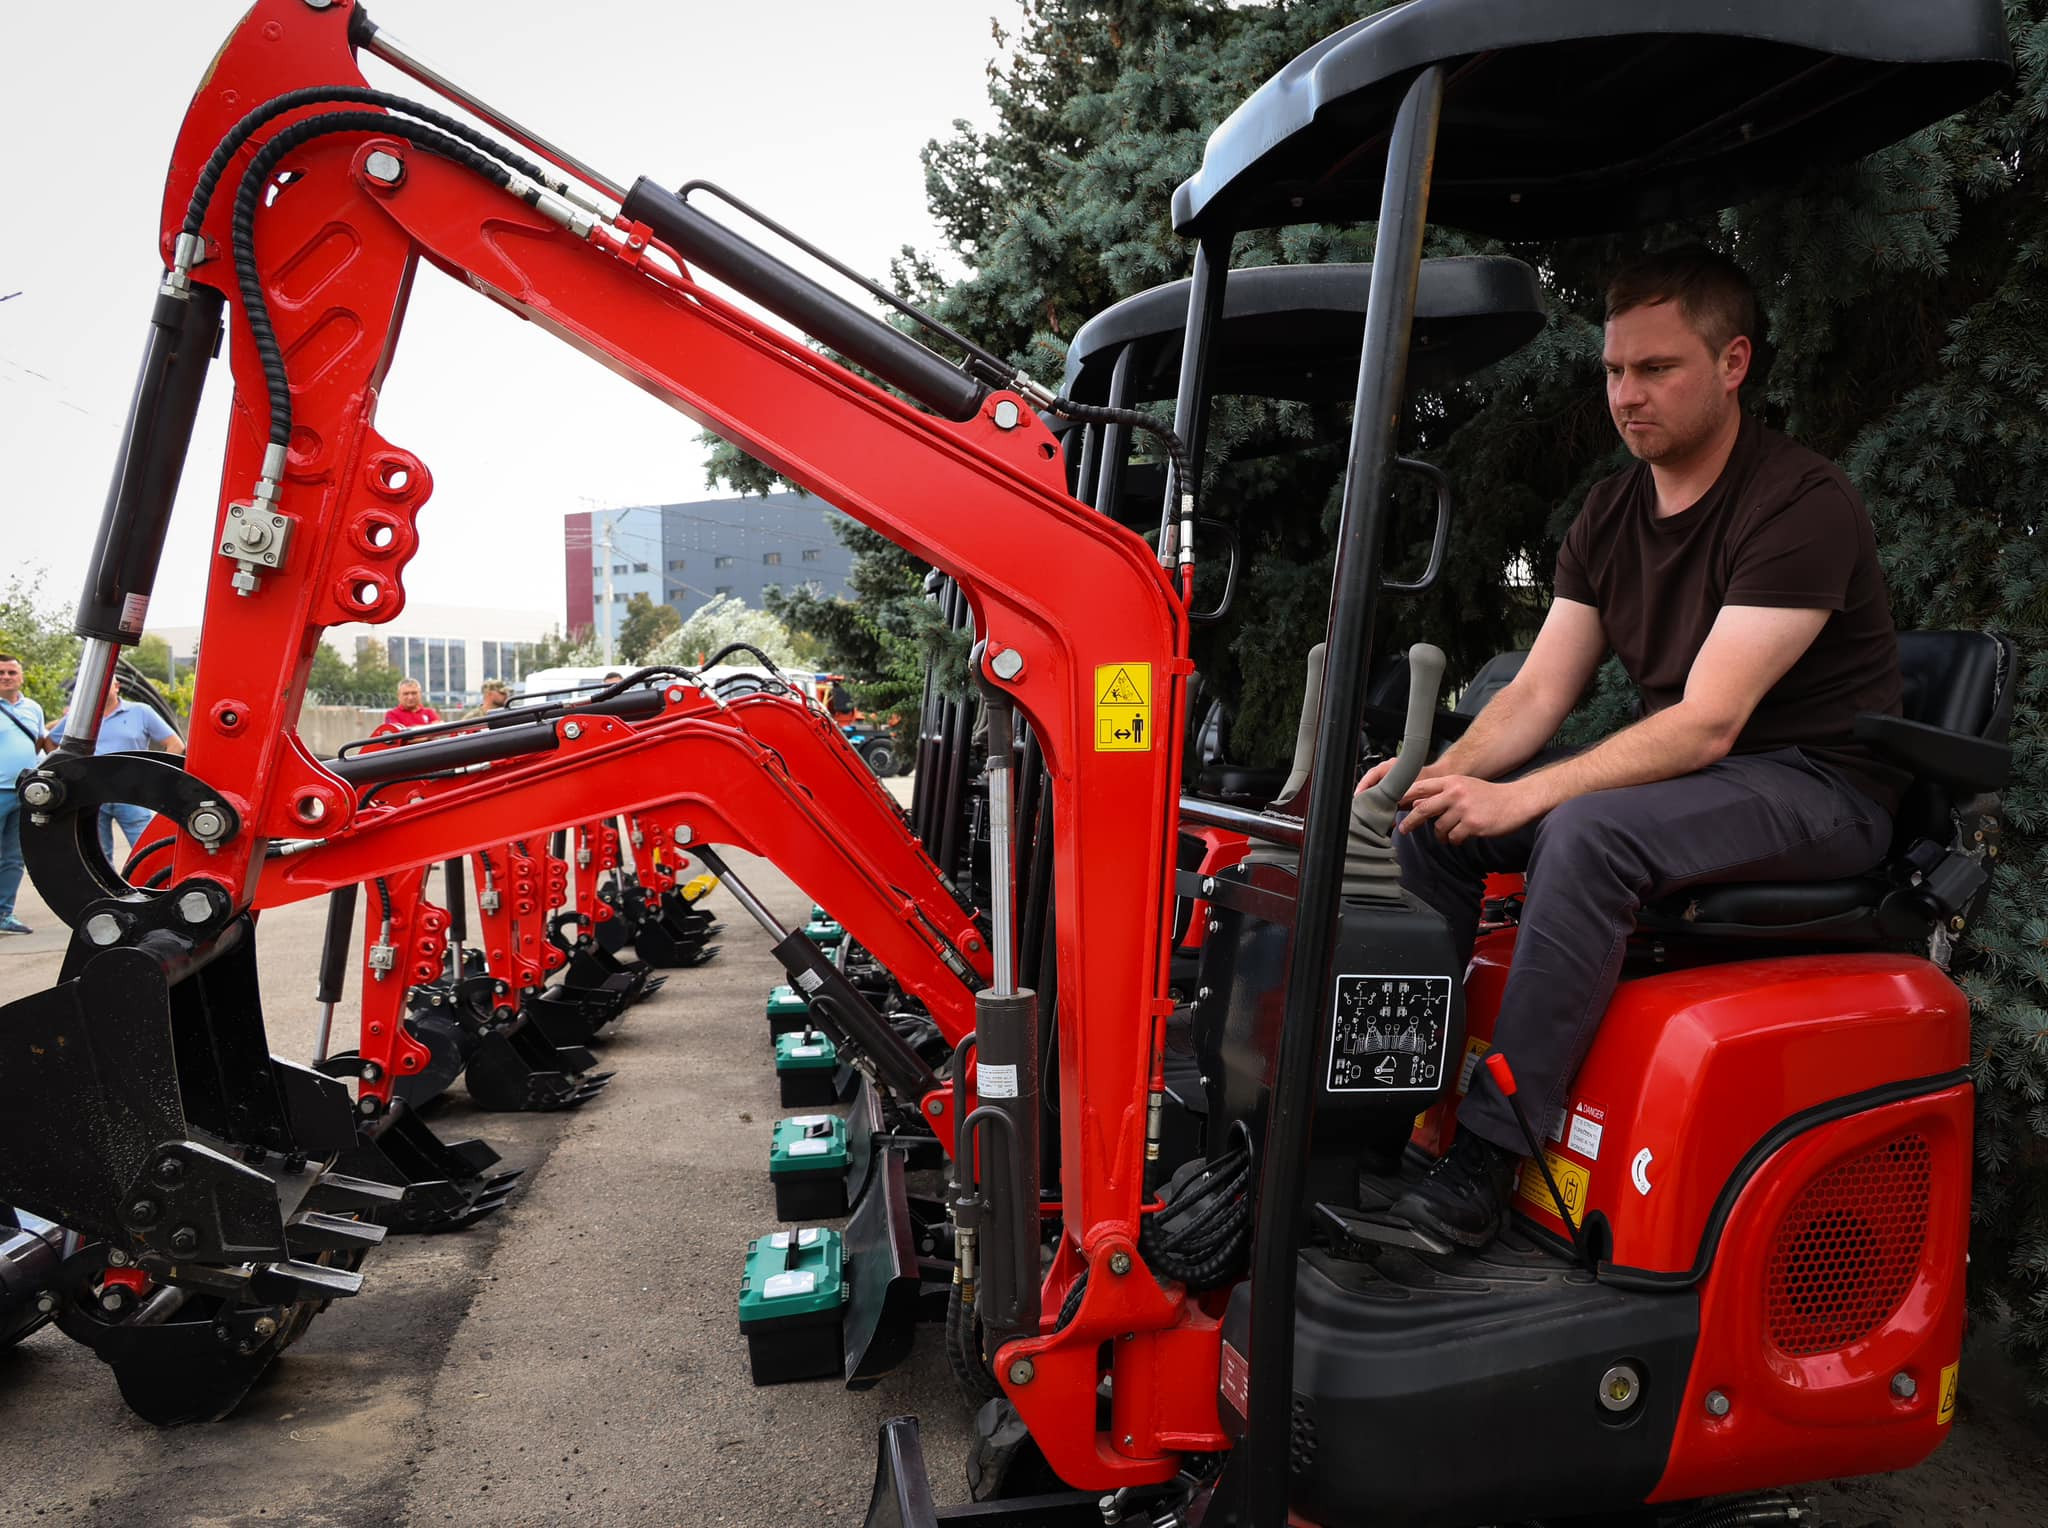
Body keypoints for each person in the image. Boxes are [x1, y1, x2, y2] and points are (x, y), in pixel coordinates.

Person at [1378, 246, 1903, 1250]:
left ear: (1732, 362)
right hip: (1713, 780)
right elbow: (1538, 687)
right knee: (1435, 832)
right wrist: (1441, 777)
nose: (1627, 395)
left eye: (1656, 369)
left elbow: (1709, 719)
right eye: (1615, 371)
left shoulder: (1799, 503)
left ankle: (1486, 1163)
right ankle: (1396, 1106)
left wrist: (1529, 798)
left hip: (1818, 787)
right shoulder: (1612, 511)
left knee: (1587, 832)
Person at [49, 682, 186, 870]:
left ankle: (153, 887)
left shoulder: (140, 712)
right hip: (91, 793)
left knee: (146, 848)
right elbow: (51, 741)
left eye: (107, 685)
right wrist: (67, 772)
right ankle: (109, 894)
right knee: (96, 854)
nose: (102, 690)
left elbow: (175, 744)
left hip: (133, 793)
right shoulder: (81, 715)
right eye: (98, 686)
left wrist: (152, 776)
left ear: (117, 687)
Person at [0, 655, 50, 934]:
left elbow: (42, 743)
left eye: (11, 672)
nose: (6, 676)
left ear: (21, 676)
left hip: (24, 793)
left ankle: (3, 914)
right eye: (1, 672)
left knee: (13, 857)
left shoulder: (33, 708)